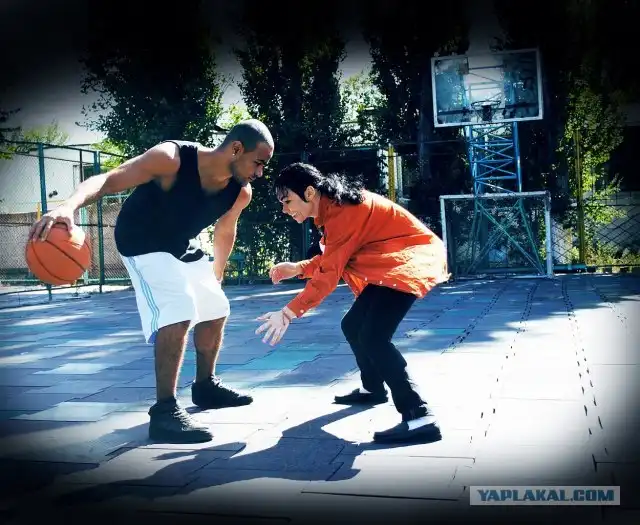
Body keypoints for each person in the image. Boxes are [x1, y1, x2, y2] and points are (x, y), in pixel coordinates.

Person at [29, 119, 275, 444]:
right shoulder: (171, 159)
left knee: (216, 308)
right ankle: (164, 412)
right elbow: (108, 180)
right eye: (259, 162)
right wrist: (67, 206)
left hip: (179, 242)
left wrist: (218, 269)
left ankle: (205, 387)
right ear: (236, 148)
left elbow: (226, 228)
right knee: (179, 307)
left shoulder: (240, 192)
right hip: (140, 239)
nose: (260, 172)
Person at [255, 162, 450, 444]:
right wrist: (298, 268)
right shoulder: (334, 209)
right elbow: (335, 256)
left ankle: (419, 416)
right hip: (390, 263)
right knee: (353, 325)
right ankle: (373, 389)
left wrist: (287, 313)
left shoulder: (342, 212)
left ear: (309, 192)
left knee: (374, 338)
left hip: (406, 261)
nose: (285, 209)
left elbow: (328, 275)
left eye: (287, 201)